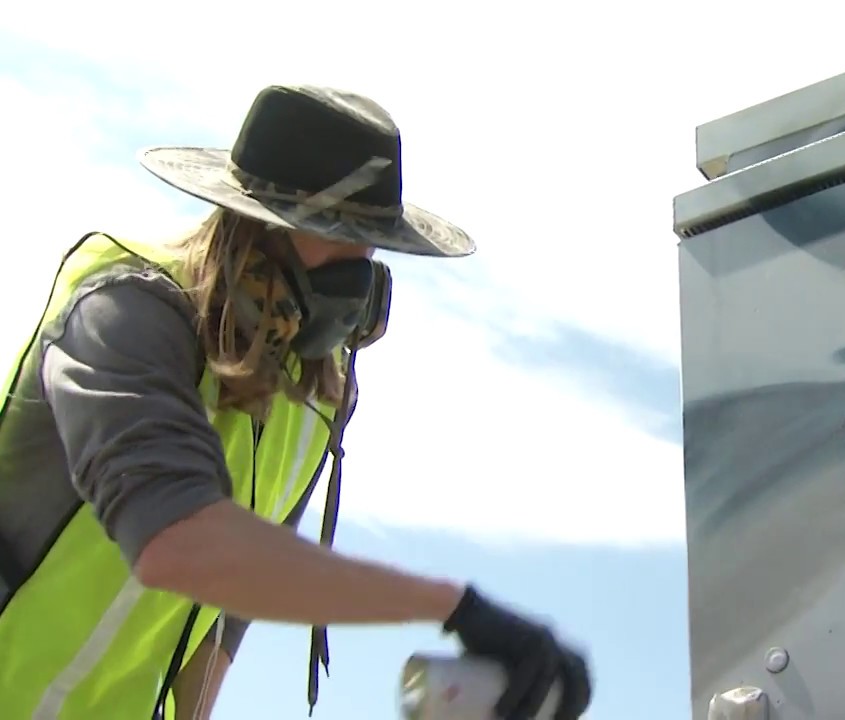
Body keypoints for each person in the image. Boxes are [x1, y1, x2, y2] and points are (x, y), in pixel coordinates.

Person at [0, 84, 593, 720]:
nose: (358, 273)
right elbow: (182, 545)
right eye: (337, 233)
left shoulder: (312, 401)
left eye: (371, 242)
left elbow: (224, 611)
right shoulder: (123, 315)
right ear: (254, 227)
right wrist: (454, 608)